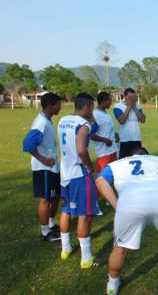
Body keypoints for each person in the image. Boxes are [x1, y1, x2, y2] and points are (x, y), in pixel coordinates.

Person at [95, 147, 158, 295]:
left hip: (130, 202)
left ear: (131, 156)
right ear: (147, 155)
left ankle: (112, 287)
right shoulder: (157, 160)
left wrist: (118, 206)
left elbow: (100, 180)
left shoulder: (117, 163)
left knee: (120, 248)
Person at [57, 93, 102, 268]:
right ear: (89, 105)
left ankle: (65, 248)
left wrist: (90, 118)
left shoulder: (63, 120)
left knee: (66, 210)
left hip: (65, 173)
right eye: (92, 106)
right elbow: (82, 150)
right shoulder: (83, 125)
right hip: (79, 175)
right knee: (85, 215)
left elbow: (94, 129)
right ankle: (86, 258)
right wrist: (90, 166)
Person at [22, 92, 62, 242]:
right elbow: (27, 144)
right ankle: (45, 232)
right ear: (51, 106)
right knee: (45, 200)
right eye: (58, 104)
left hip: (52, 167)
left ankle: (51, 224)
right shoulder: (41, 123)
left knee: (56, 196)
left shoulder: (47, 120)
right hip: (44, 169)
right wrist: (43, 159)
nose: (60, 106)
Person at [113, 88, 145, 159]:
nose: (132, 99)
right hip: (125, 139)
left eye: (134, 97)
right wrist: (129, 106)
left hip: (136, 139)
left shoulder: (137, 106)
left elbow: (142, 120)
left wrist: (134, 107)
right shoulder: (118, 106)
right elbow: (121, 120)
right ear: (125, 96)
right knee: (124, 161)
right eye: (130, 97)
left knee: (137, 159)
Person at [92, 91, 118, 173]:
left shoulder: (106, 114)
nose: (111, 102)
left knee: (113, 176)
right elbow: (91, 135)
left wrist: (115, 135)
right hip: (103, 153)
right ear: (103, 101)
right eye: (109, 101)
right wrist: (105, 140)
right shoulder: (95, 114)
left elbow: (106, 129)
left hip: (113, 150)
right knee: (103, 179)